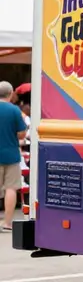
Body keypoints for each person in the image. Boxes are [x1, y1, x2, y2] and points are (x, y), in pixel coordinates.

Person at [0, 81, 26, 232]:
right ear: (10, 94)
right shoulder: (15, 110)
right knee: (11, 188)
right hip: (11, 154)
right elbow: (22, 133)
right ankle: (7, 223)